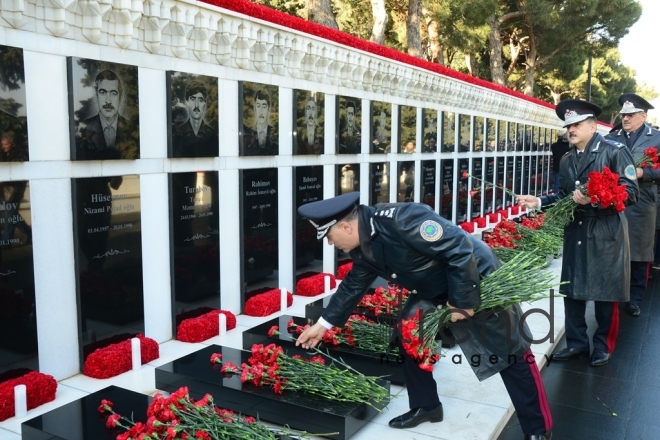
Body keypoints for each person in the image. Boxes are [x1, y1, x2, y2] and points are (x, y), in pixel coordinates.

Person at [296, 192, 552, 440]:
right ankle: (427, 406)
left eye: (329, 236)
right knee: (409, 335)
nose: (330, 243)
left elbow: (460, 248)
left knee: (510, 350)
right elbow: (353, 285)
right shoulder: (362, 245)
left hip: (475, 277)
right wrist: (322, 324)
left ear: (345, 226)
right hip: (434, 286)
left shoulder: (403, 219)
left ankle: (537, 426)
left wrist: (462, 302)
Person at [517, 99, 638, 367]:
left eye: (576, 124)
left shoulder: (614, 151)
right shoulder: (567, 159)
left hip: (605, 233)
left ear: (593, 126)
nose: (571, 129)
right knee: (572, 292)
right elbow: (564, 196)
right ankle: (577, 344)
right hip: (576, 233)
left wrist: (594, 199)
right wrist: (537, 202)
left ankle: (602, 346)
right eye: (568, 125)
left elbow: (631, 193)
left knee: (606, 295)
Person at [605, 93, 660, 317]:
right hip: (615, 201)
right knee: (615, 250)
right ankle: (615, 294)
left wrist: (644, 173)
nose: (625, 118)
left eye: (630, 115)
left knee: (639, 253)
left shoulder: (656, 138)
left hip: (642, 202)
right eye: (623, 115)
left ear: (643, 116)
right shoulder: (612, 136)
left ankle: (635, 299)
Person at [76, 70, 139, 160]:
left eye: (113, 93)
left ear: (120, 97)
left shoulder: (132, 129)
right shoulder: (85, 129)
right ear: (97, 96)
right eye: (103, 92)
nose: (108, 101)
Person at [172, 80, 218, 157]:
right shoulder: (178, 137)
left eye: (200, 100)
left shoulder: (212, 135)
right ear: (187, 102)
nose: (196, 105)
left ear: (205, 103)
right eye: (193, 99)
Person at [0, 132, 31, 244]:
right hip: (4, 189)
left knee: (10, 215)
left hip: (14, 189)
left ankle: (6, 240)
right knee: (13, 214)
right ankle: (29, 233)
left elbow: (18, 172)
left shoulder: (20, 155)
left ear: (12, 144)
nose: (3, 147)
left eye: (6, 144)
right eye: (2, 144)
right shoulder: (3, 154)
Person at [243, 89, 278, 156]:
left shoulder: (275, 133)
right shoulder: (248, 133)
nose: (261, 111)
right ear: (255, 108)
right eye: (258, 106)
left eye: (264, 106)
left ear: (268, 109)